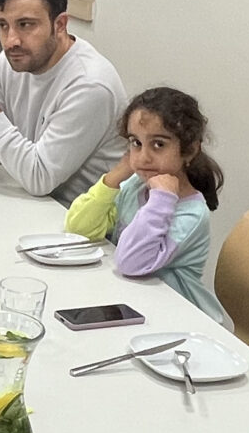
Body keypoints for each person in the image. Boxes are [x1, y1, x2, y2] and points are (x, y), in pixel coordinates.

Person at [0, 0, 126, 199]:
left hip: (74, 214)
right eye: (3, 25)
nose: (11, 41)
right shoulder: (12, 62)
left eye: (25, 25)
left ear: (60, 25)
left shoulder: (90, 85)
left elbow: (39, 179)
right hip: (32, 201)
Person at [63, 87, 225, 318]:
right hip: (133, 303)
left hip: (178, 318)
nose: (143, 157)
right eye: (136, 143)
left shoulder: (192, 214)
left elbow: (131, 263)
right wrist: (115, 177)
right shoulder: (134, 186)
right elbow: (79, 229)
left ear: (189, 150)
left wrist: (162, 199)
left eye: (158, 145)